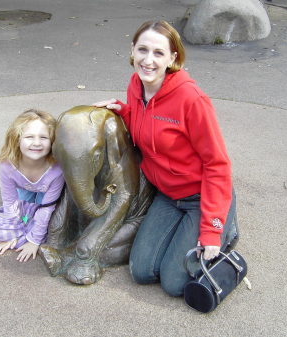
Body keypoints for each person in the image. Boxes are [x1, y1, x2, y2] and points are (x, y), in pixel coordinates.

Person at [94, 20, 238, 296]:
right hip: (168, 195)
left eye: (158, 53)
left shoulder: (191, 99)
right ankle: (188, 236)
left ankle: (225, 225)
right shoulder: (136, 85)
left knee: (174, 284)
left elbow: (217, 164)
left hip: (200, 195)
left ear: (173, 58)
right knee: (142, 272)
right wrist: (122, 111)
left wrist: (211, 230)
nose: (148, 60)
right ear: (132, 50)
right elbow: (147, 123)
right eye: (143, 50)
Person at [0, 109, 65, 262]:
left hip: (47, 195)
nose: (36, 143)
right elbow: (10, 202)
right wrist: (11, 234)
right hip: (24, 189)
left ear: (53, 141)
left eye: (43, 137)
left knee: (48, 223)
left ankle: (32, 232)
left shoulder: (57, 170)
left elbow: (46, 208)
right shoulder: (7, 166)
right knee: (16, 218)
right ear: (17, 139)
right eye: (29, 137)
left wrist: (34, 241)